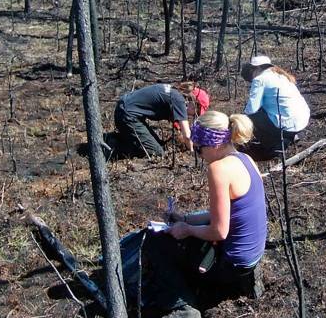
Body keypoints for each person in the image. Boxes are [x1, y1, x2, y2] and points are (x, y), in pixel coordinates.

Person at [141, 111, 267, 316]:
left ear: (214, 144)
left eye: (199, 149)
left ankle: (182, 306)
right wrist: (185, 219)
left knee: (157, 242)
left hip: (231, 264)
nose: (199, 154)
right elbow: (226, 214)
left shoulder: (219, 169)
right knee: (191, 223)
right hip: (251, 256)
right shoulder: (246, 159)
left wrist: (187, 229)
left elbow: (219, 231)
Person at [240, 55, 310, 160]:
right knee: (263, 111)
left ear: (257, 68)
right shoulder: (281, 76)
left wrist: (239, 119)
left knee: (251, 117)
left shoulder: (260, 79)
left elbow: (251, 110)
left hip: (288, 122)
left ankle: (274, 146)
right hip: (302, 120)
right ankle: (289, 136)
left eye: (252, 69)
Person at [111, 83, 193, 158]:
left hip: (126, 109)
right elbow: (187, 136)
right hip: (127, 115)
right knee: (156, 152)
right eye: (198, 110)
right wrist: (193, 152)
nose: (193, 115)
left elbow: (176, 122)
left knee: (160, 145)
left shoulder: (174, 93)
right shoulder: (179, 100)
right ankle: (111, 144)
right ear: (194, 103)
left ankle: (123, 138)